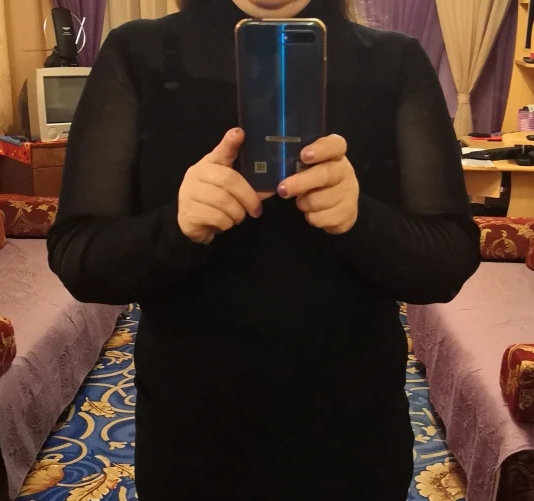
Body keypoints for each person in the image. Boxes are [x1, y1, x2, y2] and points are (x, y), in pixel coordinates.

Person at [47, 0, 481, 499]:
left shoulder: (395, 61)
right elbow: (79, 256)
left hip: (354, 439)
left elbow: (448, 259)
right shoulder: (137, 53)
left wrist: (362, 218)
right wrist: (176, 225)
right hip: (192, 439)